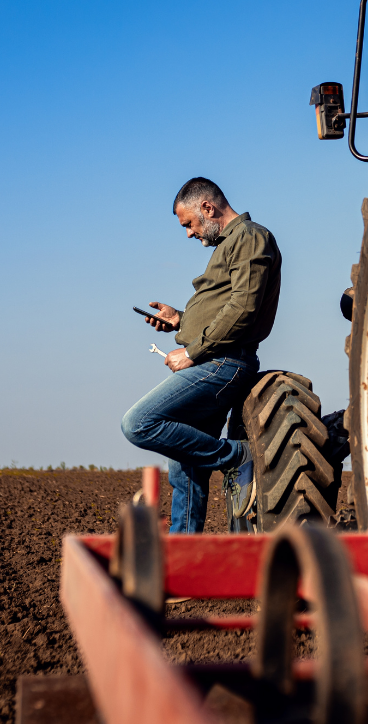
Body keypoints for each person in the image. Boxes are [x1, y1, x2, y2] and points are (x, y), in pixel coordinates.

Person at [121, 177, 281, 533]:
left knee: (137, 423)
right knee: (185, 462)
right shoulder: (228, 247)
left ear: (208, 208)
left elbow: (243, 308)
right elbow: (224, 306)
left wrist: (192, 351)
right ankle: (183, 558)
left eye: (189, 224)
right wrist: (179, 320)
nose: (190, 234)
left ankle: (234, 457)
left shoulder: (250, 237)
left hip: (223, 361)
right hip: (212, 357)